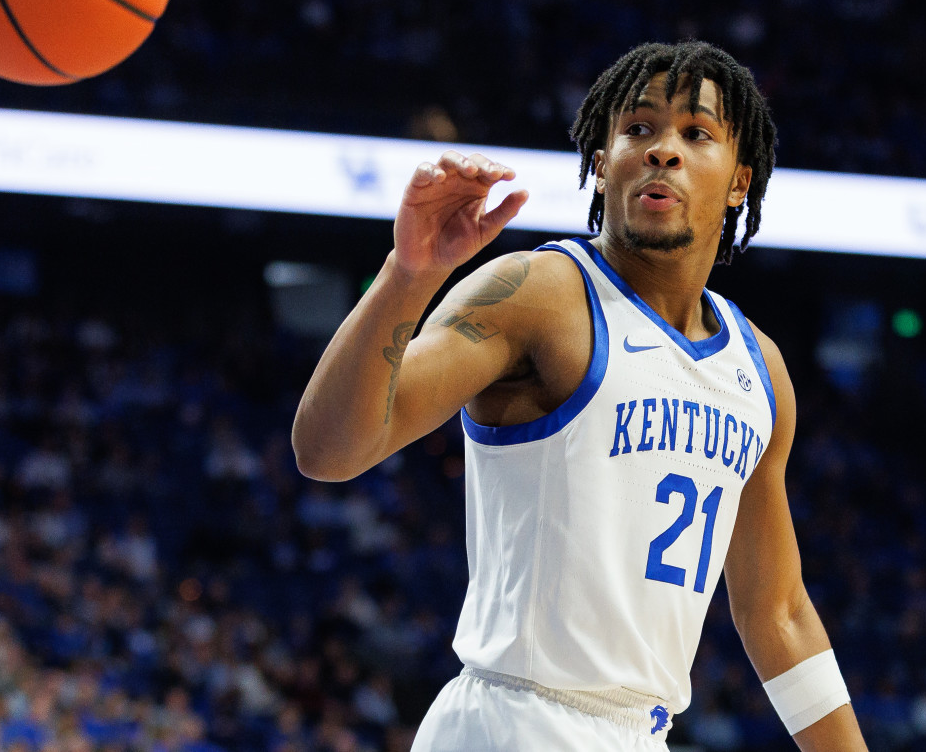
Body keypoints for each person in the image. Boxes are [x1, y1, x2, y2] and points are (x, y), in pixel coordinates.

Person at [292, 40, 869, 751]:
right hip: (515, 722)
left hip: (641, 733)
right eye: (638, 128)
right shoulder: (540, 295)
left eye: (696, 133)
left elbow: (776, 611)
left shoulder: (759, 369)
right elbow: (328, 451)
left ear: (740, 180)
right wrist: (408, 276)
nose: (663, 150)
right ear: (601, 164)